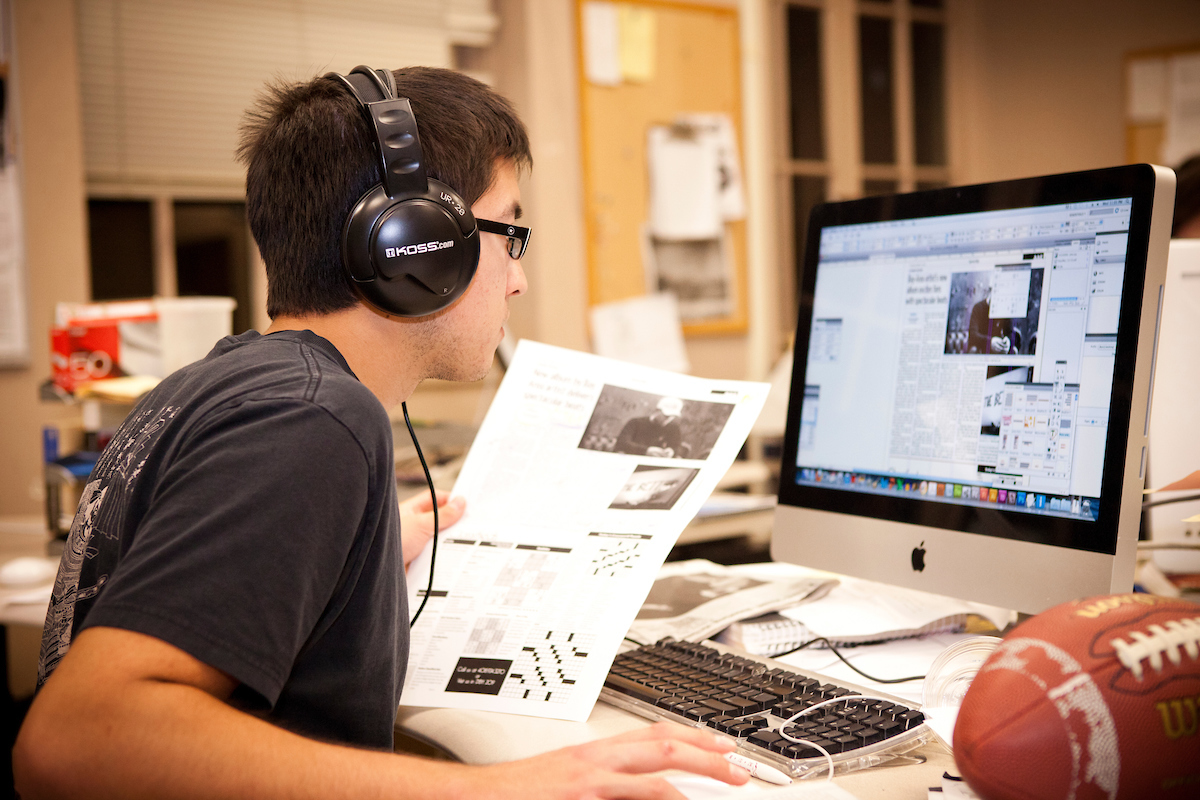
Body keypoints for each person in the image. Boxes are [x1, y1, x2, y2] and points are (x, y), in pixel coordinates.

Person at [13, 66, 747, 799]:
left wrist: (350, 558)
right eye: (509, 233)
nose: (517, 279)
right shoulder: (312, 420)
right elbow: (75, 740)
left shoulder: (216, 384)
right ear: (416, 245)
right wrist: (506, 790)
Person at [614, 396, 686, 458]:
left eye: (672, 417)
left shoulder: (673, 428)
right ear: (657, 411)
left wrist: (671, 451)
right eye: (666, 416)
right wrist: (646, 451)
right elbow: (622, 443)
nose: (668, 419)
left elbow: (677, 446)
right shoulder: (636, 422)